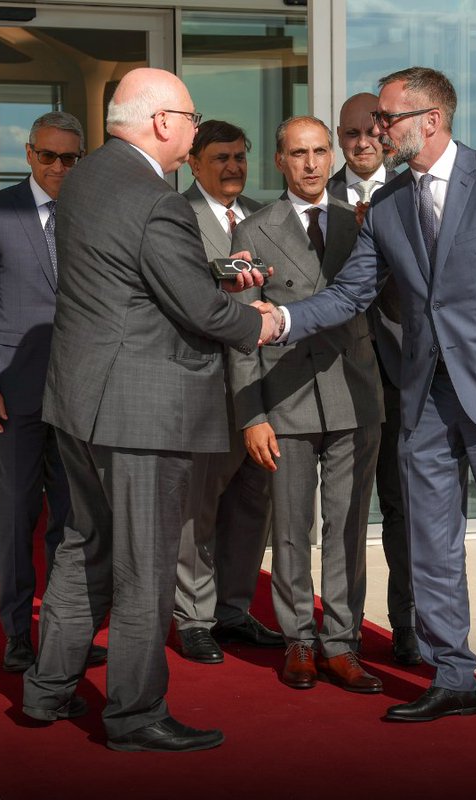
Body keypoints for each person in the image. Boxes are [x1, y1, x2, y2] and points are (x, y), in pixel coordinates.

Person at [262, 67, 476, 724]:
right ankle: (452, 674)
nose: (377, 129)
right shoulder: (391, 204)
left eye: (387, 118)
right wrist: (280, 320)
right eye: (377, 118)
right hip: (423, 397)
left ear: (430, 119)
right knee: (431, 540)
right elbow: (351, 294)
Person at [21, 68, 273, 753]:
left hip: (81, 400)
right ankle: (134, 716)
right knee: (146, 566)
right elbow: (194, 308)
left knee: (82, 546)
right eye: (192, 119)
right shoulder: (156, 199)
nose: (196, 130)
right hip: (142, 408)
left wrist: (214, 275)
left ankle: (46, 693)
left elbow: (123, 270)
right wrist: (262, 322)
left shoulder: (91, 178)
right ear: (163, 122)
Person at [230, 115, 384, 693]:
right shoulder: (252, 231)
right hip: (285, 398)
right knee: (290, 528)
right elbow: (241, 330)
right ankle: (298, 638)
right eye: (300, 153)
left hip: (354, 395)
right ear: (280, 161)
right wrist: (253, 413)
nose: (314, 163)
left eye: (322, 151)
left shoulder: (363, 223)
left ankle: (342, 643)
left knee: (347, 528)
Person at [0, 111, 106, 673]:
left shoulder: (91, 217)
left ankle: (64, 637)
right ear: (29, 154)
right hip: (14, 395)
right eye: (49, 156)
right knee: (17, 517)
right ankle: (18, 636)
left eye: (71, 158)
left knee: (75, 522)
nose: (60, 167)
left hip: (78, 396)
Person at [174, 120, 283, 664]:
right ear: (193, 163)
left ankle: (233, 610)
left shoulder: (265, 216)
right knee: (200, 506)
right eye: (220, 158)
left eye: (240, 156)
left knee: (251, 504)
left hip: (265, 390)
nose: (234, 166)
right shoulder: (176, 219)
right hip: (206, 387)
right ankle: (193, 616)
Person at [327, 92, 420, 666]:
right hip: (335, 377)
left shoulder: (410, 194)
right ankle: (343, 630)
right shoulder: (316, 196)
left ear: (386, 133)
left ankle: (408, 624)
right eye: (350, 133)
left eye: (372, 130)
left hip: (399, 374)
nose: (362, 141)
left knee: (403, 509)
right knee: (346, 511)